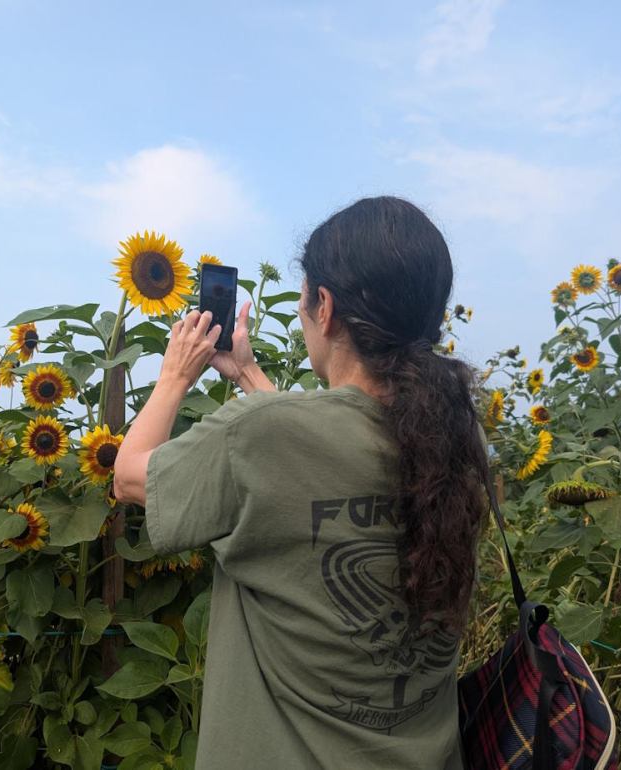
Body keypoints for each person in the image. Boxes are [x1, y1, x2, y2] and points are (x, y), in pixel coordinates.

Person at [112, 196, 490, 769]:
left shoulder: (258, 437)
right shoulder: (460, 441)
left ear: (326, 308)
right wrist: (246, 372)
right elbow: (314, 450)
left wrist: (174, 375)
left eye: (305, 298)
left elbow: (129, 477)